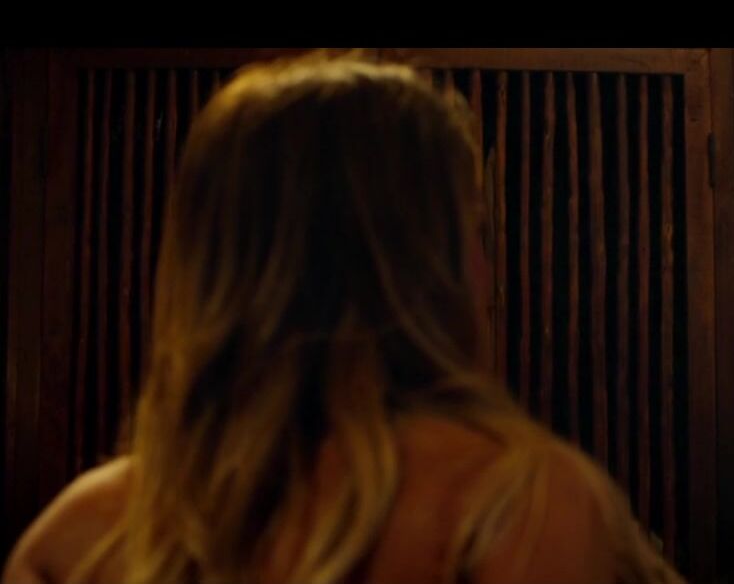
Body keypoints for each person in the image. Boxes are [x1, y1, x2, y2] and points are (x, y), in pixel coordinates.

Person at [3, 52, 683, 584]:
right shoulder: (510, 507)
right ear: (417, 263)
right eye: (472, 231)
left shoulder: (81, 535)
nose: (489, 273)